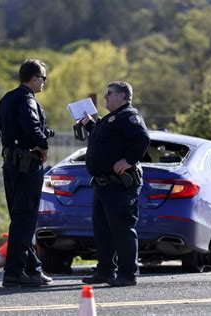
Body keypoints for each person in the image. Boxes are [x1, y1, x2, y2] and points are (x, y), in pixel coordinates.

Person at [0, 59, 54, 287]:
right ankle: (14, 273)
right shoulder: (27, 99)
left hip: (11, 165)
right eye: (43, 78)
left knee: (20, 220)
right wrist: (41, 145)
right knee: (25, 220)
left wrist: (12, 139)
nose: (44, 82)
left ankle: (32, 268)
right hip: (27, 167)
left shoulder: (8, 97)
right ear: (33, 79)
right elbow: (32, 127)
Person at [80, 81, 150, 287]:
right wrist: (89, 124)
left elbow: (142, 138)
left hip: (119, 184)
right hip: (102, 184)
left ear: (122, 96)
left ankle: (128, 274)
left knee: (122, 229)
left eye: (109, 94)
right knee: (102, 229)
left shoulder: (129, 116)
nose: (105, 97)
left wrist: (129, 160)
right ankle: (105, 271)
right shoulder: (111, 119)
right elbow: (105, 140)